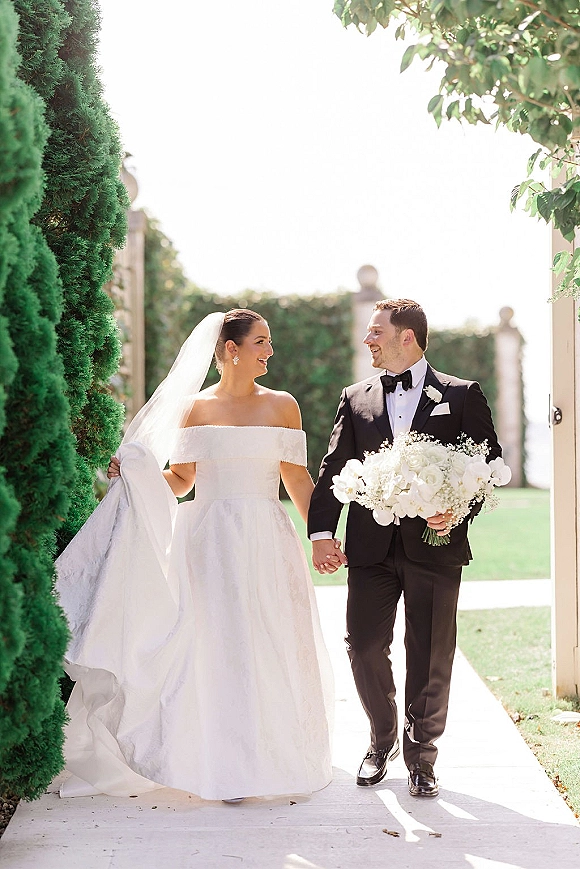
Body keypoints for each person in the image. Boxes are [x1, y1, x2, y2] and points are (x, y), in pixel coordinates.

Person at [56, 309, 333, 802]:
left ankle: (265, 758)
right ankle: (219, 761)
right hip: (208, 541)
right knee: (213, 644)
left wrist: (322, 535)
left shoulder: (284, 406)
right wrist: (140, 474)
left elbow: (296, 480)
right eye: (261, 342)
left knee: (268, 641)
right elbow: (182, 480)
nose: (269, 351)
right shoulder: (195, 409)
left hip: (267, 537)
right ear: (232, 350)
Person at [308, 298, 501, 798]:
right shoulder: (356, 398)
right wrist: (322, 533)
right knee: (365, 645)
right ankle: (382, 736)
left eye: (376, 332)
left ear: (406, 337)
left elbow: (486, 466)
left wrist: (459, 510)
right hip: (370, 548)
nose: (368, 339)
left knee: (431, 654)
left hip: (436, 547)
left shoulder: (460, 395)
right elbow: (332, 469)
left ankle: (422, 756)